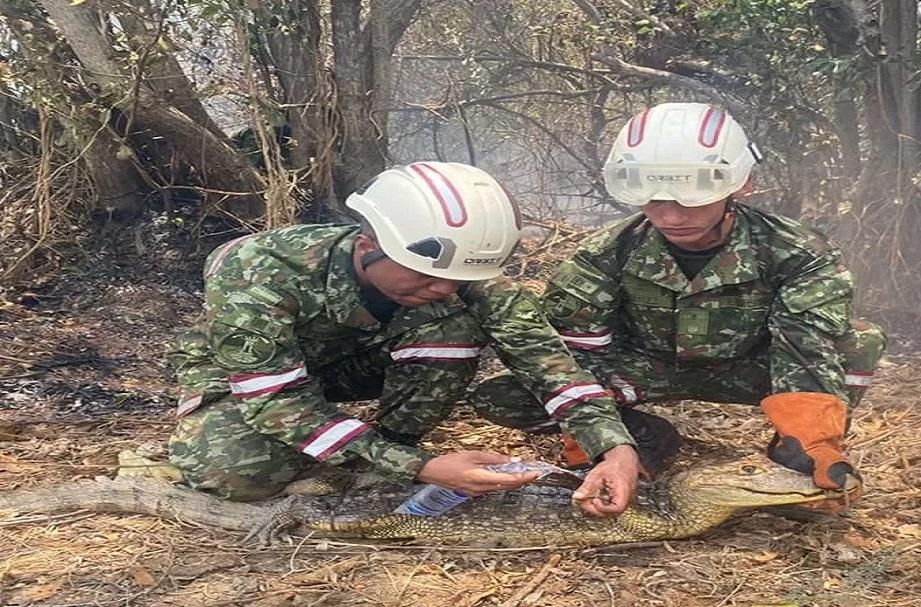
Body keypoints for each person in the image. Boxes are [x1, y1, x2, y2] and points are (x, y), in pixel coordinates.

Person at [167, 161, 640, 515]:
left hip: (356, 367)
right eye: (428, 276)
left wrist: (614, 448)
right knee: (238, 476)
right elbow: (273, 399)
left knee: (451, 324)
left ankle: (381, 454)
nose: (444, 289)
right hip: (256, 382)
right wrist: (422, 467)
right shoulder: (257, 269)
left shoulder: (461, 267)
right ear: (369, 245)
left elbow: (542, 358)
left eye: (457, 280)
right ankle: (380, 456)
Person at [471, 103, 886, 495]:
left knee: (858, 344)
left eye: (691, 197)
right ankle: (645, 440)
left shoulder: (797, 251)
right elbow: (575, 355)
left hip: (752, 367)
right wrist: (601, 441)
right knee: (507, 394)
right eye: (654, 199)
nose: (671, 216)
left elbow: (805, 347)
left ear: (739, 185)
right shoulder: (604, 254)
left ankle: (792, 449)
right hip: (639, 371)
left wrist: (812, 442)